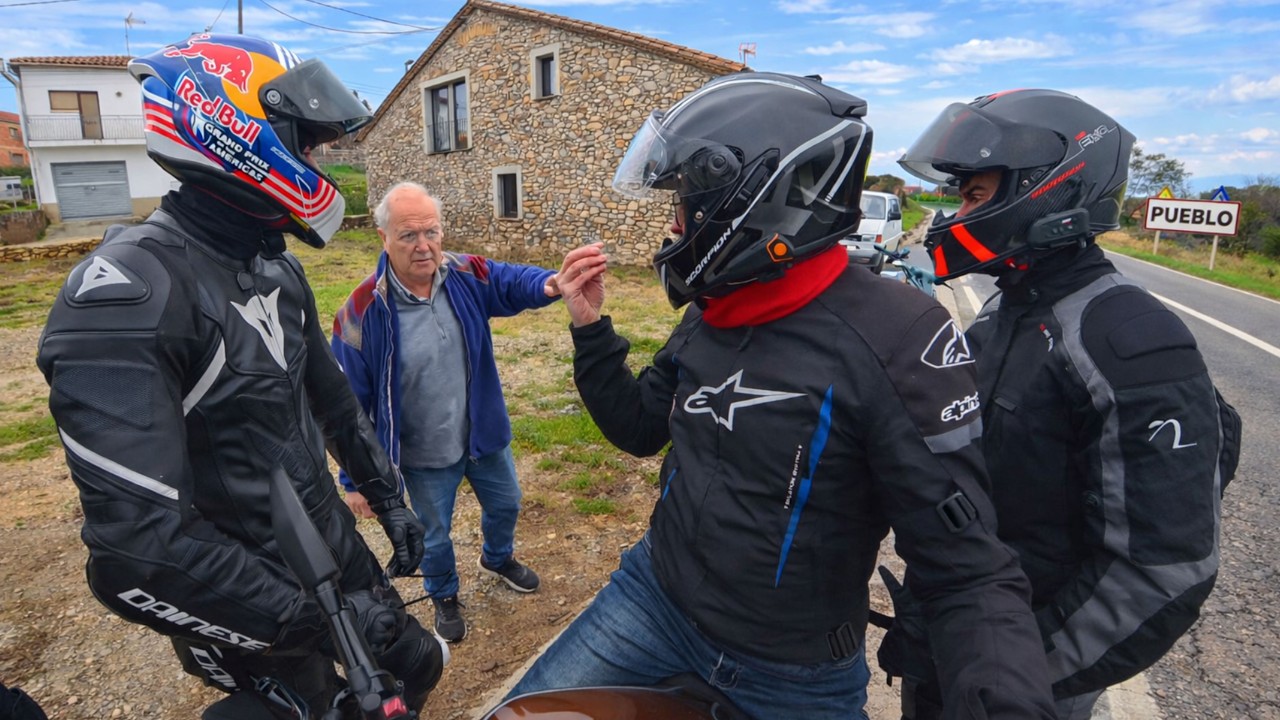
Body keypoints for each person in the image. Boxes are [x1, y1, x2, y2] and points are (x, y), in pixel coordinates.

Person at [498, 72, 1056, 720]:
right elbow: (640, 427)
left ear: (751, 202)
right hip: (654, 599)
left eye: (685, 203)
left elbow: (965, 563)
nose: (674, 226)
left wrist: (1004, 699)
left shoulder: (896, 336)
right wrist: (591, 329)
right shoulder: (715, 309)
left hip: (794, 671)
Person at [35, 34, 445, 718]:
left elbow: (332, 400)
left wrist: (388, 496)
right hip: (241, 583)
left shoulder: (274, 265)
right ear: (230, 130)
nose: (316, 162)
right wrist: (319, 622)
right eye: (306, 145)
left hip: (323, 534)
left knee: (418, 663)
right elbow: (137, 549)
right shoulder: (125, 293)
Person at [893, 88, 1241, 719]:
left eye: (975, 196)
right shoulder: (1005, 312)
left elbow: (1164, 569)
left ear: (1049, 190)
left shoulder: (1128, 338)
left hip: (1022, 680)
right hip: (949, 645)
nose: (956, 215)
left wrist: (1021, 678)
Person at [332, 181, 584, 644]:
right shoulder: (360, 311)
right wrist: (354, 481)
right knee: (433, 535)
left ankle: (497, 557)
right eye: (409, 235)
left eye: (431, 231)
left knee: (506, 504)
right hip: (422, 454)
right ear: (383, 237)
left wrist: (550, 284)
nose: (423, 245)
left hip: (482, 437)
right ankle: (443, 593)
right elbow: (348, 407)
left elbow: (510, 281)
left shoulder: (464, 273)